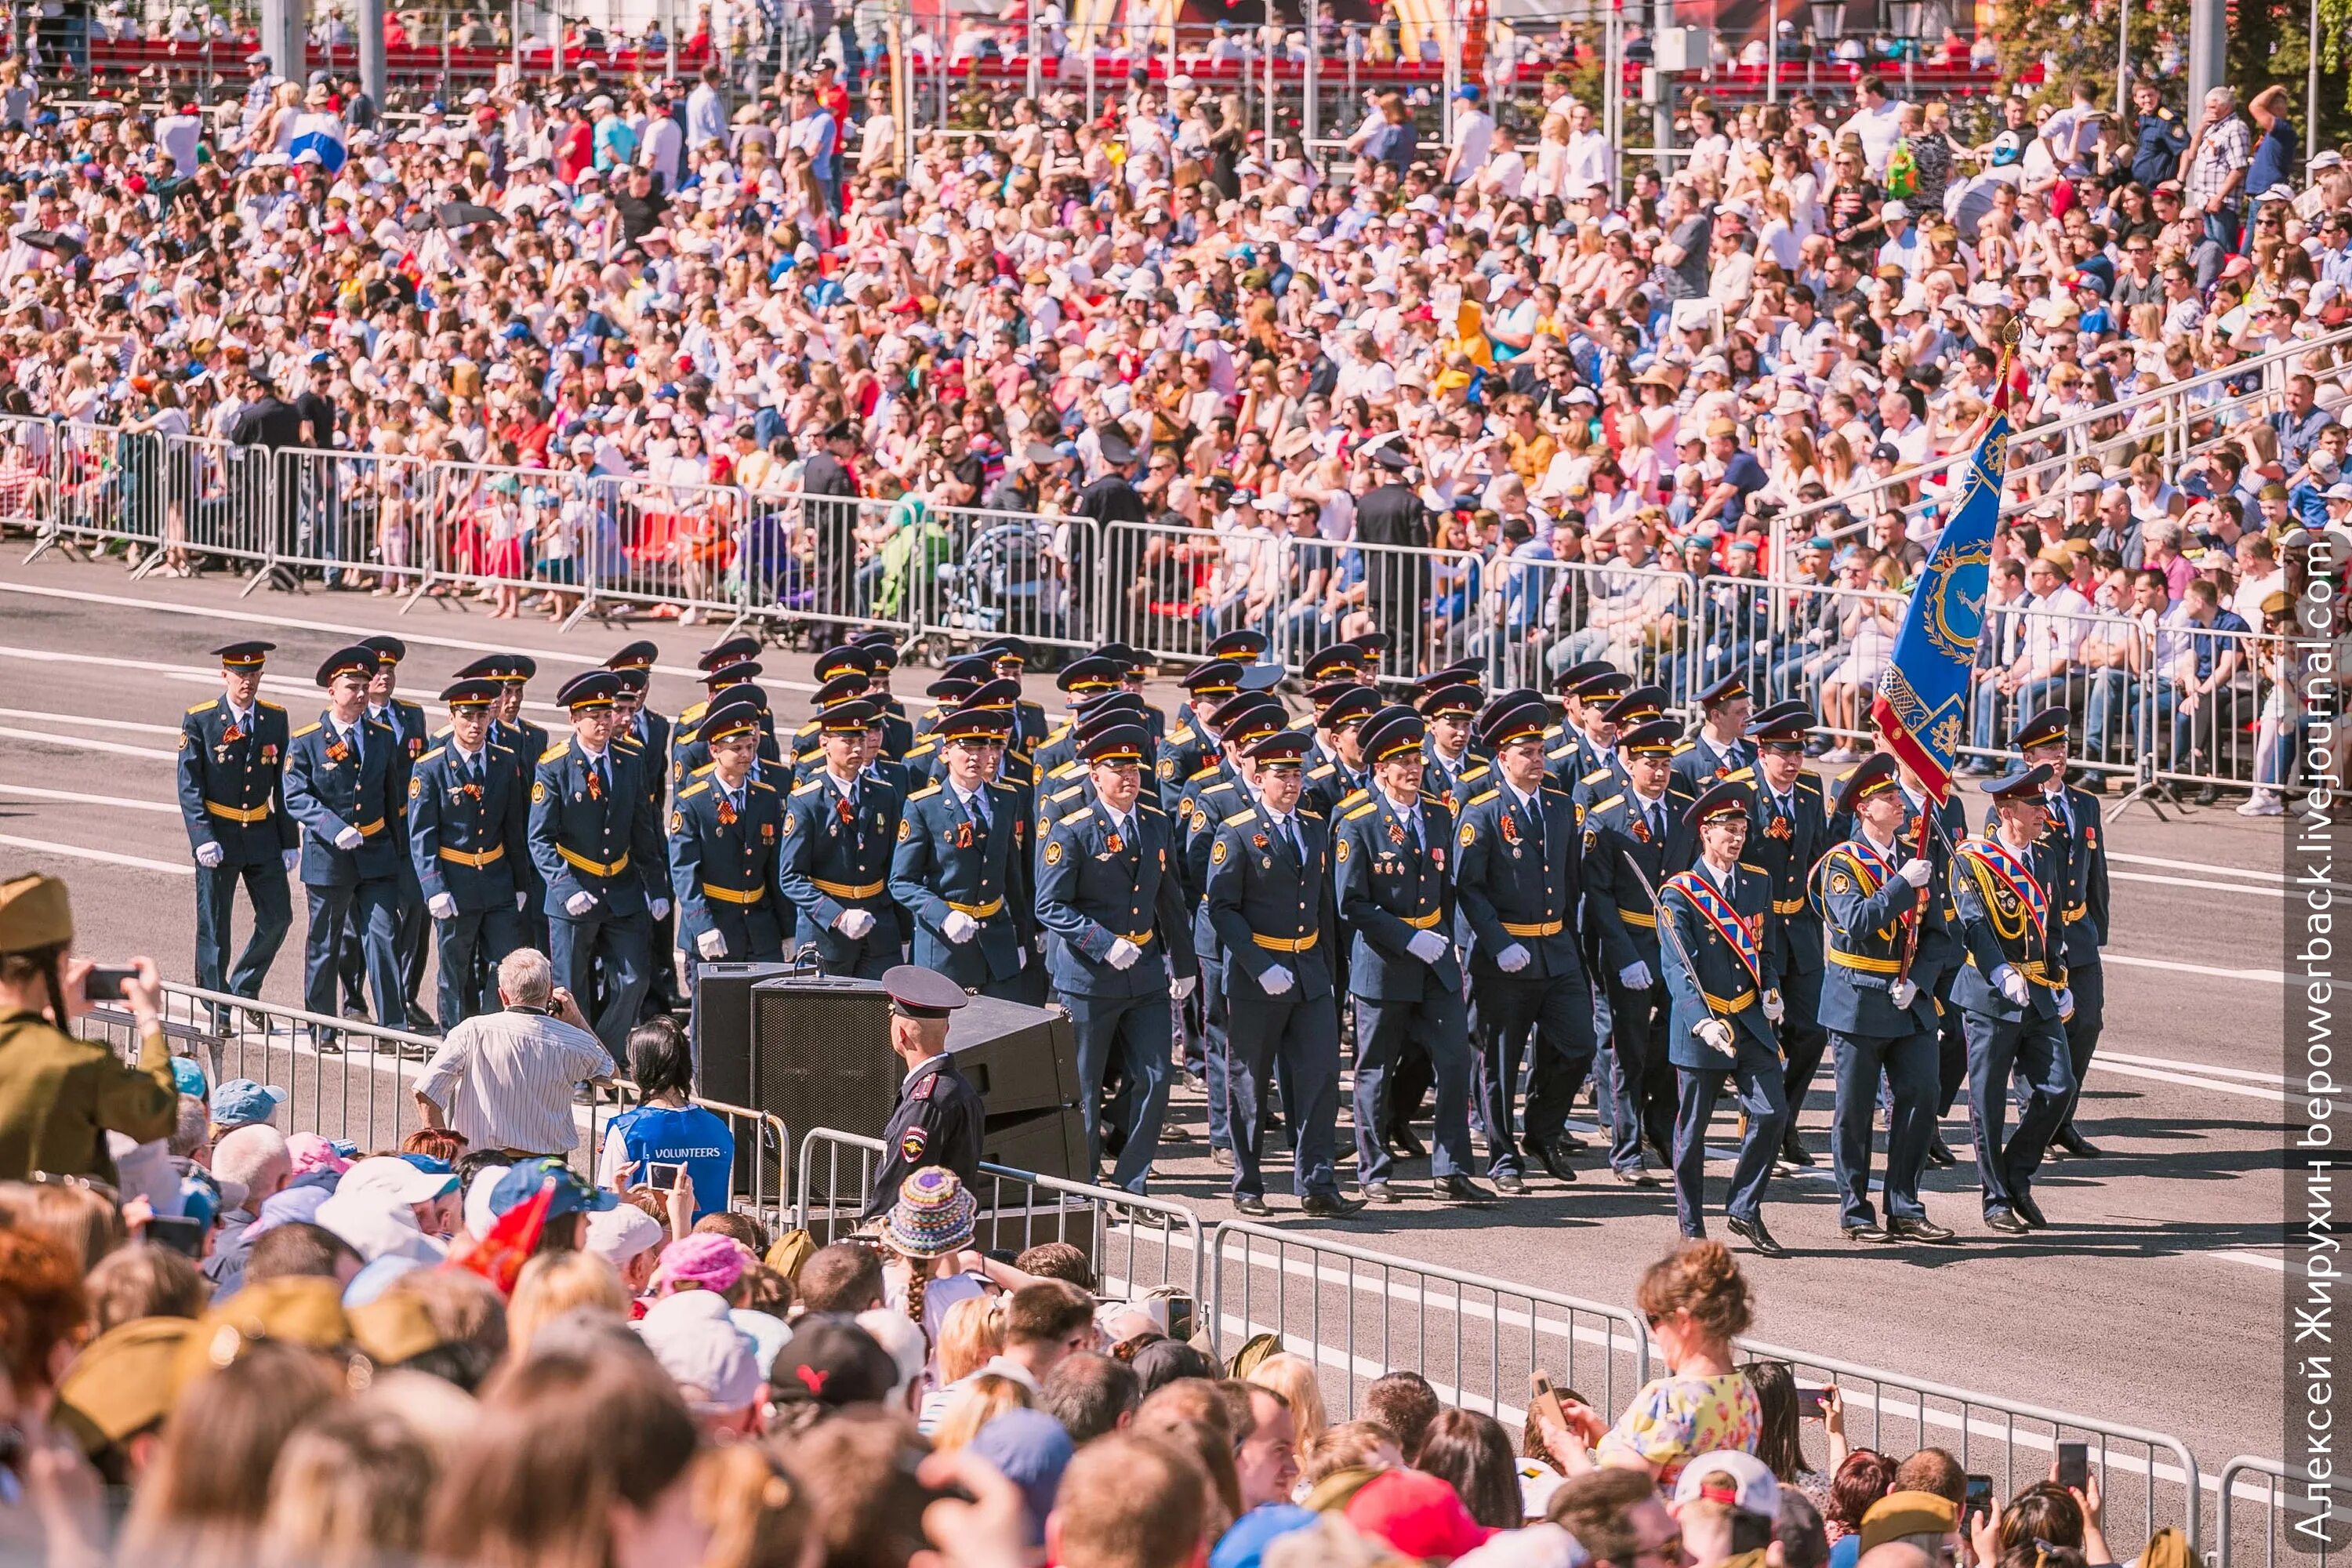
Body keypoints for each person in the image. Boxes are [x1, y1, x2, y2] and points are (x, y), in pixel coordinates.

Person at [1034, 722, 1199, 1195]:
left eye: (1134, 768)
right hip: (1089, 978)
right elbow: (1050, 904)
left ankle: (1132, 1182)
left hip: (1144, 972)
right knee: (1084, 1087)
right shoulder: (1073, 831)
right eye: (1116, 768)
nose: (1128, 776)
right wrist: (1103, 942)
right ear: (1093, 772)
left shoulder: (1155, 824)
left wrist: (1183, 965)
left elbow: (1170, 900)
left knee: (1155, 1076)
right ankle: (1084, 1183)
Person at [1337, 706, 1490, 1207]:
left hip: (1436, 959)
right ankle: (1374, 1169)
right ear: (1379, 767)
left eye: (1416, 759)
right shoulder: (1358, 821)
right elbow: (1350, 902)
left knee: (1454, 1060)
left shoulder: (1438, 813)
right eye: (1400, 761)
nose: (1412, 768)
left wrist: (1447, 940)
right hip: (1386, 961)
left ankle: (1450, 1169)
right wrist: (1408, 938)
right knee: (1375, 1068)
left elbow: (1447, 886)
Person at [1202, 728, 1359, 1219]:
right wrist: (1258, 964)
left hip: (1309, 971)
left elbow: (1324, 908)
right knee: (1250, 1082)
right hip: (1258, 976)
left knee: (1318, 1079)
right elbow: (1222, 910)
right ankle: (1248, 1182)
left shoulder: (1315, 826)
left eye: (1296, 773)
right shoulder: (1238, 832)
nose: (1291, 783)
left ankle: (1316, 1182)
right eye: (1280, 774)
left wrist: (1331, 974)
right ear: (1257, 775)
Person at [1452, 691, 1594, 1189]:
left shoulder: (1560, 807)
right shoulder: (1483, 812)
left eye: (1540, 752)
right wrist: (1494, 942)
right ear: (1502, 759)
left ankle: (1543, 1131)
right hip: (1504, 956)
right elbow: (1467, 887)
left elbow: (1570, 882)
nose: (1536, 761)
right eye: (1525, 754)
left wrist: (1576, 947)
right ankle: (1502, 1155)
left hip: (1555, 950)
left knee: (1579, 1043)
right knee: (1499, 1063)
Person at [1813, 755, 1955, 1246]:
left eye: (1898, 796)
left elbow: (1941, 936)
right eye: (1889, 798)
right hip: (1858, 999)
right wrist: (1902, 885)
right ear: (1864, 809)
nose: (1900, 803)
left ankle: (1905, 1206)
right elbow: (1855, 921)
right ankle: (1855, 1210)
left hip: (1908, 1001)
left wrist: (1918, 980)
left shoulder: (1913, 860)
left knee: (1921, 1101)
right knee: (1854, 1113)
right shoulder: (1842, 863)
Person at [1657, 780, 1788, 1256]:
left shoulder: (1757, 881)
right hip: (1705, 1025)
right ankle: (1692, 1225)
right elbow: (1676, 964)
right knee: (1692, 1133)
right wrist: (1700, 1019)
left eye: (1741, 829)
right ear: (1705, 834)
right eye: (1727, 830)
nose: (1736, 838)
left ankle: (1744, 1208)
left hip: (1750, 1020)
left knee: (1772, 1112)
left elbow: (1764, 950)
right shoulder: (1680, 894)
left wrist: (1771, 990)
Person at [1952, 764, 2077, 1234]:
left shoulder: (2045, 858)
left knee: (2058, 1088)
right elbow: (1974, 925)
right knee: (1987, 1101)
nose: (2044, 812)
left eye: (2043, 804)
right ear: (2008, 811)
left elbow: (2054, 929)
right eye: (2035, 806)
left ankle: (2016, 1173)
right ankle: (1996, 1199)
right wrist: (2001, 971)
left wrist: (2060, 981)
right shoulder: (1973, 860)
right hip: (1991, 996)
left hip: (2039, 993)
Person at [1581, 716, 1702, 1186]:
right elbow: (1599, 896)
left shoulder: (1687, 813)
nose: (1659, 772)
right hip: (1629, 943)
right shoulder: (1608, 817)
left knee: (1673, 1045)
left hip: (1674, 945)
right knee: (1627, 1050)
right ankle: (1627, 1148)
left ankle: (1661, 1127)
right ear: (1628, 763)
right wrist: (1624, 955)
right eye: (1650, 763)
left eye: (1666, 762)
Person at [0, 874, 178, 1183]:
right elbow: (158, 1112)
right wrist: (149, 1018)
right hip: (53, 1229)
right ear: (60, 961)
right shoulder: (81, 1065)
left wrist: (52, 1019)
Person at [529, 670, 670, 1051]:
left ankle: (598, 1052)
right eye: (594, 716)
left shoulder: (629, 759)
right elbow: (539, 838)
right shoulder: (554, 765)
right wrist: (565, 886)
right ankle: (574, 1063)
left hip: (621, 888)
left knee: (634, 978)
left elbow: (643, 828)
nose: (604, 722)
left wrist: (656, 887)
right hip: (574, 887)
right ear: (574, 719)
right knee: (570, 989)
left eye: (607, 714)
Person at [282, 644, 407, 1051]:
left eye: (363, 686)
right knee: (325, 943)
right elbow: (294, 795)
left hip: (375, 854)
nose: (359, 693)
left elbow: (392, 798)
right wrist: (332, 828)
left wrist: (398, 853)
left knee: (384, 938)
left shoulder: (382, 737)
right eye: (351, 686)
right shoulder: (306, 741)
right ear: (331, 692)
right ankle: (321, 1027)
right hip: (330, 858)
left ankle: (393, 1029)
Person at [1730, 706, 1832, 1174]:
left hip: (1802, 930)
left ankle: (1785, 1116)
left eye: (1798, 752)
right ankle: (1762, 1120)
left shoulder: (1811, 790)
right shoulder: (1739, 793)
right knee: (1762, 1034)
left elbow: (1818, 855)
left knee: (1810, 1031)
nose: (1792, 762)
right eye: (1782, 753)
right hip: (1754, 932)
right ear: (1761, 751)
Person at [176, 641, 296, 1027]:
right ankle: (217, 1006)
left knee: (278, 916)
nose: (247, 681)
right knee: (215, 925)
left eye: (254, 674)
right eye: (240, 674)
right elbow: (189, 784)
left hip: (261, 832)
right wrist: (201, 836)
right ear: (224, 674)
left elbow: (282, 784)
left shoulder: (275, 719)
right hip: (219, 833)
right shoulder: (201, 719)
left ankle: (243, 988)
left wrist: (289, 839)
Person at [407, 677, 529, 1032]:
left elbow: (513, 827)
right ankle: (455, 1039)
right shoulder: (431, 767)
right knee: (454, 968)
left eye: (481, 716)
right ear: (452, 717)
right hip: (455, 883)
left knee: (505, 965)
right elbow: (422, 835)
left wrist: (520, 882)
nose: (474, 725)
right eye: (466, 716)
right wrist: (434, 888)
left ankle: (493, 1031)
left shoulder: (504, 761)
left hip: (496, 880)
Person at [412, 947, 615, 1159]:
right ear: (550, 990)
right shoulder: (575, 1040)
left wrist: (446, 1158)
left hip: (483, 1164)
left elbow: (424, 1091)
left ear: (502, 995)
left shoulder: (471, 1031)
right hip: (547, 1169)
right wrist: (578, 1020)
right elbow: (611, 1077)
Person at [890, 704, 1036, 998]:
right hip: (946, 946)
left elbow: (1012, 875)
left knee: (1000, 1032)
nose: (975, 757)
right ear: (945, 753)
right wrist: (943, 915)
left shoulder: (1006, 799)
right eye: (965, 748)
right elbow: (901, 882)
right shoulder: (924, 806)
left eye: (983, 748)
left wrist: (1021, 937)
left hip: (997, 940)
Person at [779, 695, 905, 979]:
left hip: (879, 930)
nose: (858, 748)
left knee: (879, 1016)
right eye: (847, 741)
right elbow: (791, 877)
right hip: (827, 936)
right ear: (825, 743)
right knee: (827, 1020)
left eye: (861, 739)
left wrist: (904, 933)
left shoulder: (884, 794)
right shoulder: (807, 801)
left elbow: (896, 866)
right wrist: (836, 915)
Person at [668, 695, 788, 978]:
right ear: (714, 751)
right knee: (712, 1019)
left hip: (760, 930)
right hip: (715, 926)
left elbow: (775, 869)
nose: (747, 754)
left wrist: (787, 929)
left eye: (749, 746)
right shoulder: (693, 802)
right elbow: (684, 872)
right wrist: (702, 925)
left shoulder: (766, 798)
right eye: (736, 748)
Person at [861, 964, 986, 1218]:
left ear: (901, 1035)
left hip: (919, 1243)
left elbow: (897, 1188)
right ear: (947, 1030)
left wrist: (868, 1234)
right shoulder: (959, 1087)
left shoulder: (927, 1101)